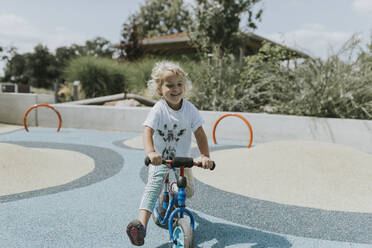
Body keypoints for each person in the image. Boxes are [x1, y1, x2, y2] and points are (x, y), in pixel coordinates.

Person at [126, 61, 213, 246]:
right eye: (170, 85)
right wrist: (151, 153)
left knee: (186, 191)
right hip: (161, 161)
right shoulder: (159, 109)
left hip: (182, 161)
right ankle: (141, 227)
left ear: (185, 86)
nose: (176, 89)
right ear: (159, 89)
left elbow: (199, 132)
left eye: (179, 84)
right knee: (154, 186)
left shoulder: (189, 109)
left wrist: (205, 155)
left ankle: (170, 198)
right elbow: (148, 130)